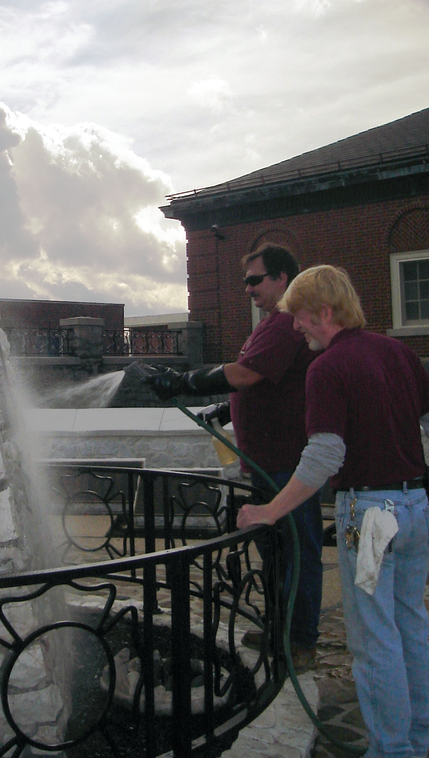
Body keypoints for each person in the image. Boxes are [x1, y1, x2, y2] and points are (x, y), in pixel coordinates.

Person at [237, 265, 429, 758]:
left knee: (373, 636)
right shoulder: (399, 353)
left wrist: (269, 511)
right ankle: (421, 737)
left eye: (299, 318)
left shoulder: (328, 367)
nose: (295, 329)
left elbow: (324, 455)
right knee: (411, 624)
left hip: (370, 523)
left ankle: (392, 749)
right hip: (414, 508)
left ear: (324, 311)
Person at [146, 243, 322, 668]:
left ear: (282, 279)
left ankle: (299, 642)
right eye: (245, 281)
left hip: (284, 461)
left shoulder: (283, 324)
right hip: (268, 459)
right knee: (279, 549)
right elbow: (262, 382)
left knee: (297, 547)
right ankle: (284, 626)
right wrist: (229, 408)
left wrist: (183, 381)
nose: (247, 288)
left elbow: (245, 373)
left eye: (255, 280)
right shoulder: (271, 325)